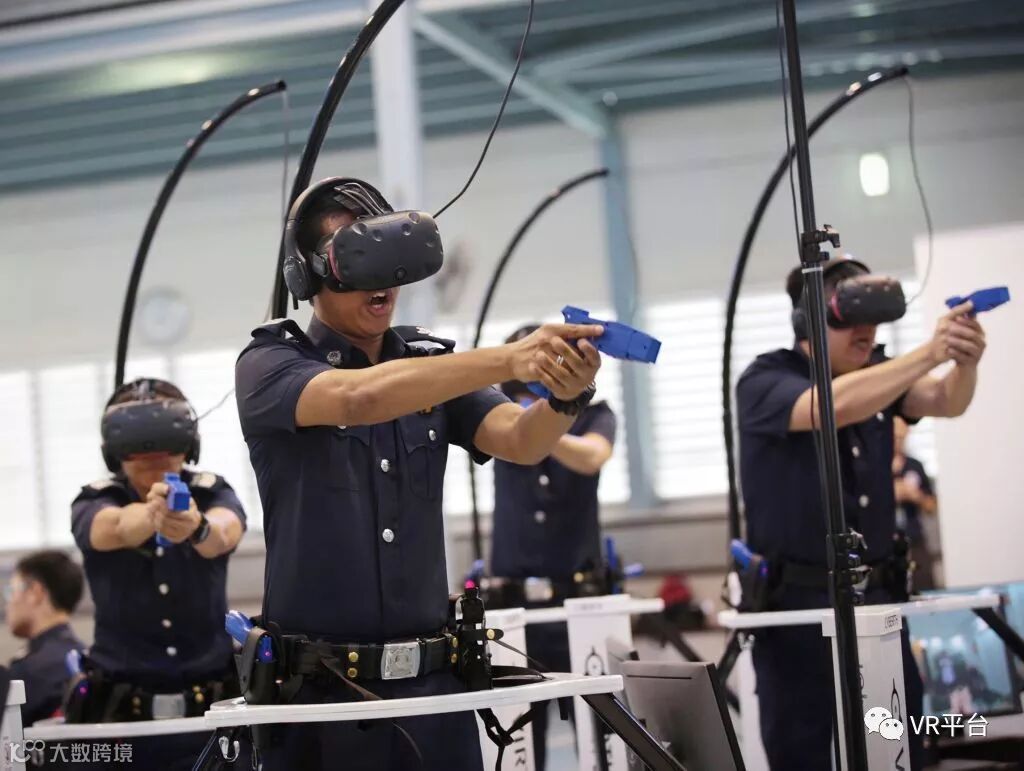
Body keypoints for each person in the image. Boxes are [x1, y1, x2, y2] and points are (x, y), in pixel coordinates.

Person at [234, 177, 605, 771]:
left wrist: (565, 397)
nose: (380, 282)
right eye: (357, 261)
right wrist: (510, 358)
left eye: (390, 258)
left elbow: (520, 439)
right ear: (308, 275)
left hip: (434, 696)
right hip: (321, 701)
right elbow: (358, 397)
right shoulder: (270, 364)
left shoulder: (432, 363)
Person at [736, 256, 986, 771]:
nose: (866, 332)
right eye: (851, 318)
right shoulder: (764, 380)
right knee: (802, 754)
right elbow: (830, 406)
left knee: (898, 744)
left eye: (874, 320)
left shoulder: (879, 374)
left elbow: (946, 400)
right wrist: (930, 351)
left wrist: (964, 361)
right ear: (808, 320)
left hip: (878, 601)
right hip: (799, 611)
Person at [68, 378, 247, 769]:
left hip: (213, 718)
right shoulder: (96, 499)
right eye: (137, 445)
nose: (153, 455)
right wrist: (153, 515)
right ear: (115, 451)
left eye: (167, 441)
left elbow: (224, 532)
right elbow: (112, 527)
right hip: (120, 723)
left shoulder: (211, 492)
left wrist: (196, 527)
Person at [488, 323, 617, 771]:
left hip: (579, 600)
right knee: (517, 740)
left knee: (600, 734)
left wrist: (541, 425)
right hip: (514, 605)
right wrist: (517, 417)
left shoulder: (594, 412)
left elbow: (593, 456)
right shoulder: (498, 411)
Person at [5, 550, 85, 726]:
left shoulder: (29, 671)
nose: (8, 604)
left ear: (35, 592)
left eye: (11, 591)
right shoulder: (86, 659)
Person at [893, 416, 939, 591]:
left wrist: (915, 496)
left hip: (915, 539)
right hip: (886, 544)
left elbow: (931, 506)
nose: (898, 440)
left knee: (925, 586)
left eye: (901, 436)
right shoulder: (874, 469)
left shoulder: (915, 466)